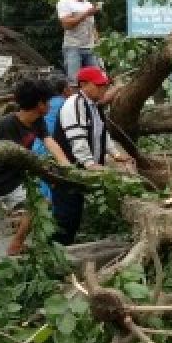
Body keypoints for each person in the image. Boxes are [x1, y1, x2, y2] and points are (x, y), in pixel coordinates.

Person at [0, 80, 68, 263]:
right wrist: (45, 171)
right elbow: (17, 156)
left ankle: (16, 244)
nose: (50, 106)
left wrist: (65, 164)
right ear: (39, 104)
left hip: (12, 179)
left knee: (40, 204)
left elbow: (49, 142)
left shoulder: (38, 121)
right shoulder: (8, 123)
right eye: (47, 102)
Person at [51, 67, 134, 245]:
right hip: (69, 172)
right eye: (99, 86)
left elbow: (102, 135)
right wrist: (89, 164)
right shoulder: (74, 105)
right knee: (65, 217)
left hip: (80, 172)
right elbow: (77, 138)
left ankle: (64, 251)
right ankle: (55, 254)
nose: (104, 89)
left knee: (74, 215)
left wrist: (116, 154)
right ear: (84, 85)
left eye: (104, 85)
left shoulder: (94, 107)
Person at [32, 72, 70, 203]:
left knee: (40, 184)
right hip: (51, 148)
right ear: (65, 89)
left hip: (37, 145)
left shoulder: (44, 104)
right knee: (50, 185)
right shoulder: (65, 104)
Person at [57, 0, 101, 84]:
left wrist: (98, 42)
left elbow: (92, 26)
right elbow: (66, 24)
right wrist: (86, 14)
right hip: (73, 47)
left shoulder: (88, 4)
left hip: (90, 47)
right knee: (74, 80)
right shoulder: (64, 2)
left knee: (97, 79)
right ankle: (75, 100)